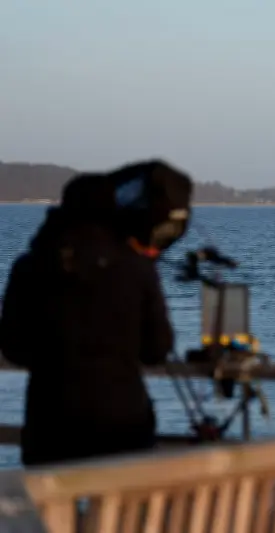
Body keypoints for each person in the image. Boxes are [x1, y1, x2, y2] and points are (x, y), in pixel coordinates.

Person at [0, 160, 192, 466]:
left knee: (49, 511)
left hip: (50, 422)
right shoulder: (135, 268)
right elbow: (157, 349)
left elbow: (13, 348)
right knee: (123, 511)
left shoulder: (28, 266)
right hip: (123, 424)